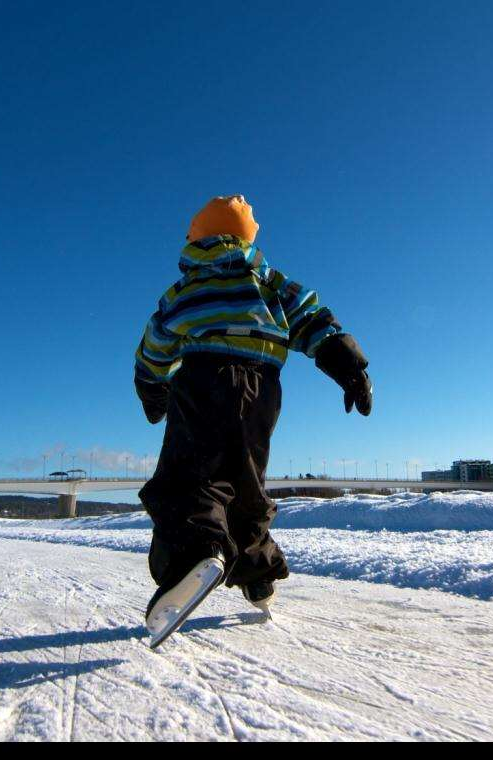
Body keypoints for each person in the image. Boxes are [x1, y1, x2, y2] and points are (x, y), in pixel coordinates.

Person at [134, 195, 372, 645]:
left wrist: (152, 389)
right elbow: (315, 320)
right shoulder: (272, 284)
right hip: (263, 388)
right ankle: (259, 578)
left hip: (203, 380)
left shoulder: (184, 291)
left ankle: (198, 552)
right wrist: (350, 367)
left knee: (190, 475)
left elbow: (155, 342)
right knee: (247, 480)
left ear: (195, 238)